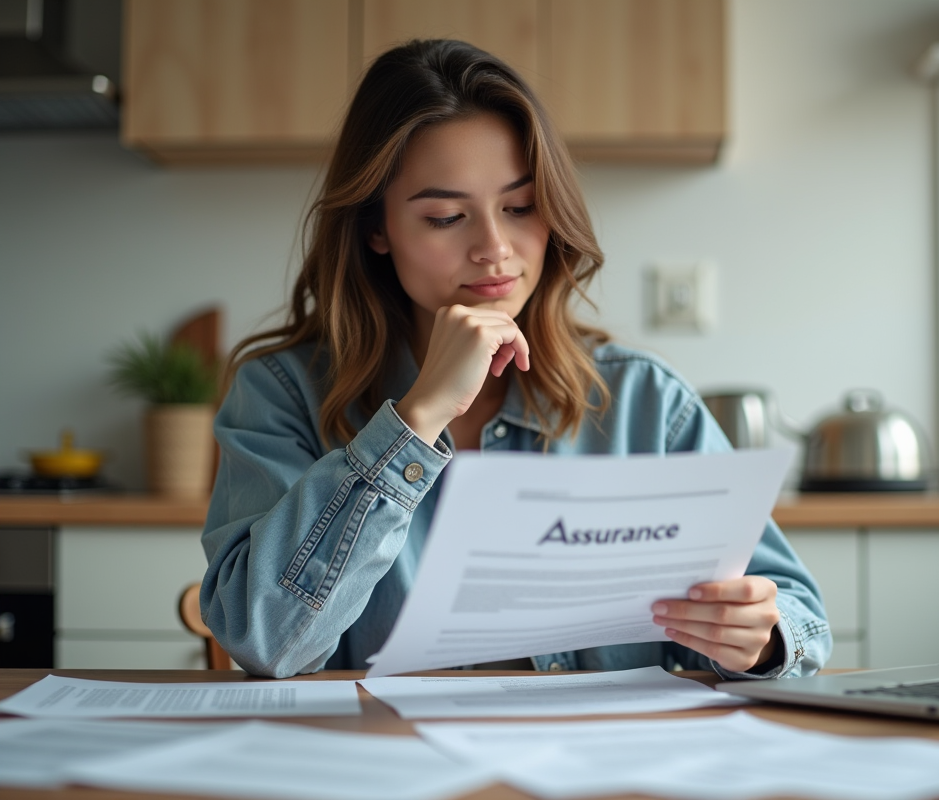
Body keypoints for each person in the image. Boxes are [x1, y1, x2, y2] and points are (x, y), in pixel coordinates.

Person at [201, 39, 831, 680]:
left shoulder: (645, 400)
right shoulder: (279, 392)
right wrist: (414, 422)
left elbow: (800, 618)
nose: (495, 249)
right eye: (446, 217)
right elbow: (266, 642)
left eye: (520, 207)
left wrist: (761, 638)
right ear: (377, 229)